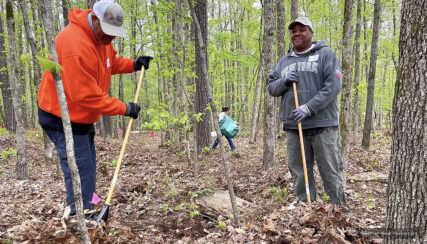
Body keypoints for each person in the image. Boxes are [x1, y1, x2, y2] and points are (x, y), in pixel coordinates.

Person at [37, 0, 153, 217]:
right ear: (95, 18)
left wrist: (133, 64)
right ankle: (80, 219)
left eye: (114, 33)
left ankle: (92, 205)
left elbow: (109, 62)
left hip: (81, 117)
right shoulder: (75, 45)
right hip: (62, 117)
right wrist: (123, 108)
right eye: (109, 32)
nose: (111, 37)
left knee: (88, 168)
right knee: (80, 172)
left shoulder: (102, 38)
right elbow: (85, 95)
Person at [267, 17, 346, 208]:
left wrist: (309, 107)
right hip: (294, 127)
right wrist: (284, 80)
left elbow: (333, 86)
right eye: (293, 31)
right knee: (299, 171)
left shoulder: (326, 55)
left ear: (311, 32)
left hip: (323, 125)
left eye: (301, 30)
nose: (297, 34)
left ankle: (338, 211)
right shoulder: (284, 61)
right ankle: (306, 206)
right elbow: (271, 88)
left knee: (330, 171)